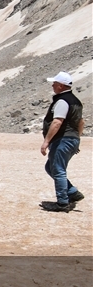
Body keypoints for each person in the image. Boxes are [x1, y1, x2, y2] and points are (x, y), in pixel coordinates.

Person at [40, 72, 85, 212]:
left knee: (58, 170)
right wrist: (76, 138)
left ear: (60, 86)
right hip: (71, 139)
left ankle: (62, 203)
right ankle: (72, 192)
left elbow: (57, 122)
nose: (52, 85)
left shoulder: (62, 101)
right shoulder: (76, 101)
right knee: (50, 167)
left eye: (54, 83)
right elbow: (81, 122)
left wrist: (46, 141)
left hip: (63, 139)